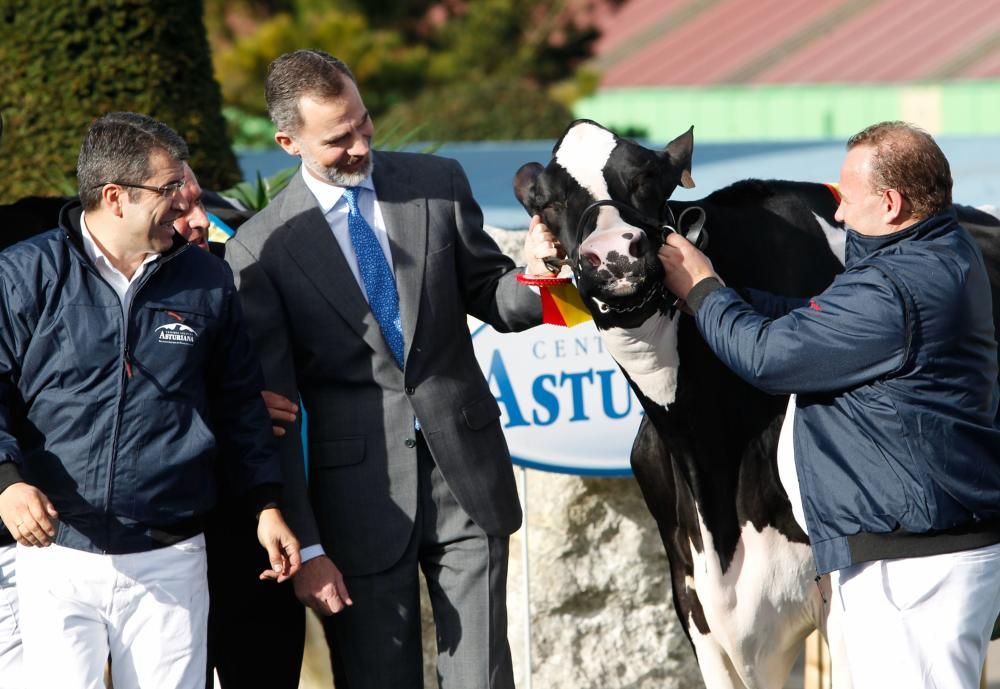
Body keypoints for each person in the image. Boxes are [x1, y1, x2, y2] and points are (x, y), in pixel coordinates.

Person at [225, 49, 558, 689]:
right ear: (287, 141)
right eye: (337, 138)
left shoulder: (438, 182)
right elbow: (276, 416)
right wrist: (311, 548)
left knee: (483, 678)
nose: (359, 145)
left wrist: (538, 274)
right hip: (356, 505)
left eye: (363, 122)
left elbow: (492, 293)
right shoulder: (259, 248)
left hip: (466, 475)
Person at [658, 120, 1000, 689]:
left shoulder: (895, 288)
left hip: (912, 567)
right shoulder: (938, 251)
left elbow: (771, 357)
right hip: (918, 550)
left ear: (891, 203)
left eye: (848, 198)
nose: (837, 215)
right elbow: (815, 319)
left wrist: (702, 289)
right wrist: (724, 299)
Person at [0, 112, 301, 689]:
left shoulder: (208, 281)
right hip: (56, 555)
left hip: (172, 556)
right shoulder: (23, 274)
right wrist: (7, 479)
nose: (189, 208)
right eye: (170, 191)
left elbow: (241, 404)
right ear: (115, 197)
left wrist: (266, 505)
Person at [172, 162, 305, 689]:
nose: (201, 221)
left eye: (199, 202)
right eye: (180, 209)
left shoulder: (242, 270)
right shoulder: (75, 288)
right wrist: (233, 409)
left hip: (257, 536)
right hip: (161, 549)